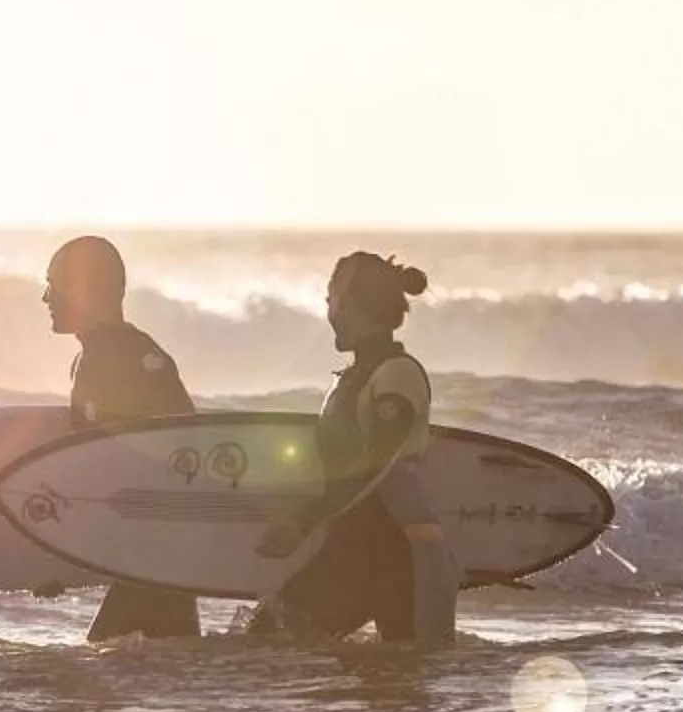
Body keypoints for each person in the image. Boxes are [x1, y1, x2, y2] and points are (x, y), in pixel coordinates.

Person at [250, 251, 458, 645]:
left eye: (332, 300)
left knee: (402, 689)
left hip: (403, 559)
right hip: (351, 551)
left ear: (353, 306)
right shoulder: (350, 379)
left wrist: (302, 523)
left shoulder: (398, 374)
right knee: (270, 637)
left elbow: (375, 464)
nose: (328, 311)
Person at [39, 235, 201, 640]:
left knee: (106, 669)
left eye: (53, 284)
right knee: (166, 666)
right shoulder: (107, 352)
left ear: (81, 288)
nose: (46, 297)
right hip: (156, 552)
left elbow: (131, 465)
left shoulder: (117, 357)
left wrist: (63, 558)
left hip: (155, 553)